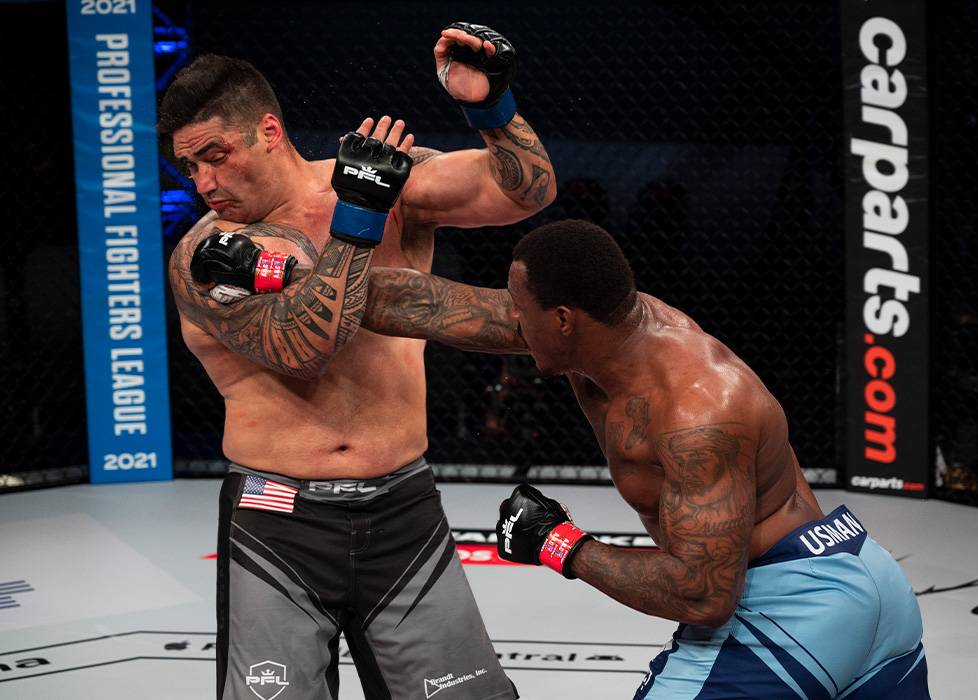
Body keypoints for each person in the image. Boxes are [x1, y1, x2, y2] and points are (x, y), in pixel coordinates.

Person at [360, 219, 931, 699]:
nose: (510, 317)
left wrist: (558, 543)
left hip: (792, 610)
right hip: (854, 571)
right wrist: (316, 263)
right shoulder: (606, 332)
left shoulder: (695, 411)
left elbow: (703, 594)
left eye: (520, 308)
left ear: (562, 319)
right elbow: (427, 306)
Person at [159, 22, 555, 700]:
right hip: (276, 522)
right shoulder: (207, 256)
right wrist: (359, 217)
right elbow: (305, 349)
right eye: (190, 167)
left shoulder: (382, 184)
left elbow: (526, 193)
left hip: (404, 508)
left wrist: (492, 108)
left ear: (269, 131)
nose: (204, 183)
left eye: (216, 156)